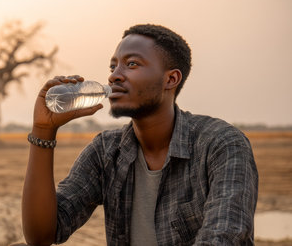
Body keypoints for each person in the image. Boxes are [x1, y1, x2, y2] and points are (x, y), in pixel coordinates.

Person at [22, 24, 258, 245]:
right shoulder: (106, 151)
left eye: (132, 64)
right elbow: (43, 234)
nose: (114, 76)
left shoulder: (222, 144)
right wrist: (44, 131)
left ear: (170, 79)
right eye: (113, 67)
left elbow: (224, 235)